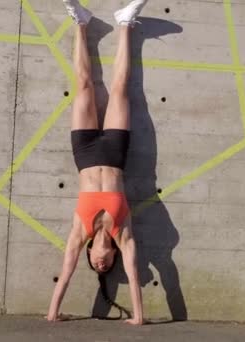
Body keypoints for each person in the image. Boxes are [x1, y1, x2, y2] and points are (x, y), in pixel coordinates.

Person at [45, 0, 148, 326]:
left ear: (90, 254)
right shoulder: (124, 234)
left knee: (85, 87)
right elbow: (133, 275)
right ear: (114, 255)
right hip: (116, 154)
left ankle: (81, 23)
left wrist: (52, 313)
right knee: (120, 90)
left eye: (96, 265)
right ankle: (125, 24)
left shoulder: (80, 231)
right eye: (107, 266)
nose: (101, 265)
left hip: (86, 152)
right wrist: (139, 317)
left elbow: (65, 271)